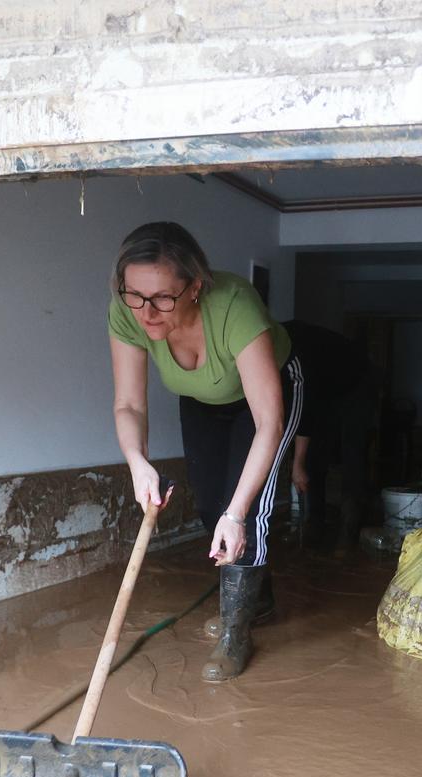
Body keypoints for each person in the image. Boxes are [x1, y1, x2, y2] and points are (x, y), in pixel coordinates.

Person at [108, 222, 303, 682]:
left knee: (244, 510)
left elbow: (268, 423)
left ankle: (235, 637)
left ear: (195, 287)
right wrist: (137, 461)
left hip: (263, 402)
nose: (145, 312)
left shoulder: (234, 305)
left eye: (161, 298)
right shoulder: (127, 310)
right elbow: (129, 404)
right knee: (211, 502)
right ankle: (260, 602)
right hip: (201, 398)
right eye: (133, 295)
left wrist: (237, 513)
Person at [282, 320, 372, 551]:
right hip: (324, 387)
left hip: (357, 381)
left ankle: (350, 526)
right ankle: (314, 522)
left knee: (353, 451)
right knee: (315, 454)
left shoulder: (294, 354)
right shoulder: (268, 357)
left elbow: (305, 411)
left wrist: (297, 463)